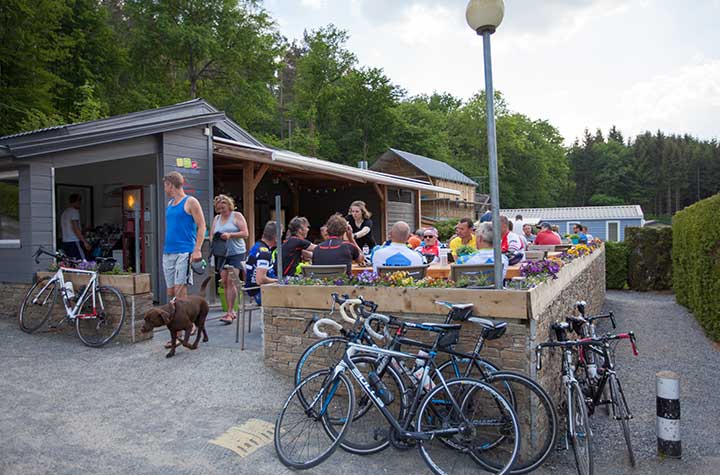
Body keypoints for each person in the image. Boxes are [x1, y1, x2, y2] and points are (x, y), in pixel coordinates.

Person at [162, 172, 206, 301]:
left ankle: (183, 319)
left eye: (165, 185)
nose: (164, 188)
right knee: (171, 291)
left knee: (179, 289)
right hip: (168, 250)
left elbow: (202, 226)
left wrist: (197, 249)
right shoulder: (170, 204)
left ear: (170, 185)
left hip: (185, 251)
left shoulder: (191, 202)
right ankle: (180, 316)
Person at [209, 194, 249, 324]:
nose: (221, 207)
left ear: (229, 204)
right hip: (222, 254)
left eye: (223, 204)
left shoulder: (237, 216)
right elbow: (212, 235)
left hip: (236, 252)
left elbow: (245, 233)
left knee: (232, 280)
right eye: (219, 205)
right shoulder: (216, 218)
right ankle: (229, 309)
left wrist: (230, 235)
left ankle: (231, 311)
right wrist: (215, 240)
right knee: (225, 281)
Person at [245, 221, 279, 305]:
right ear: (275, 237)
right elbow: (260, 279)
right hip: (261, 293)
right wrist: (278, 281)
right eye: (281, 234)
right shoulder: (264, 253)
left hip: (256, 290)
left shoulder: (256, 246)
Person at [60, 193, 91, 260]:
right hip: (74, 241)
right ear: (76, 201)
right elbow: (75, 228)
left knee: (70, 262)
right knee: (82, 262)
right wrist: (85, 242)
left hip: (65, 241)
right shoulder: (74, 211)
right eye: (79, 201)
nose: (80, 204)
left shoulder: (65, 212)